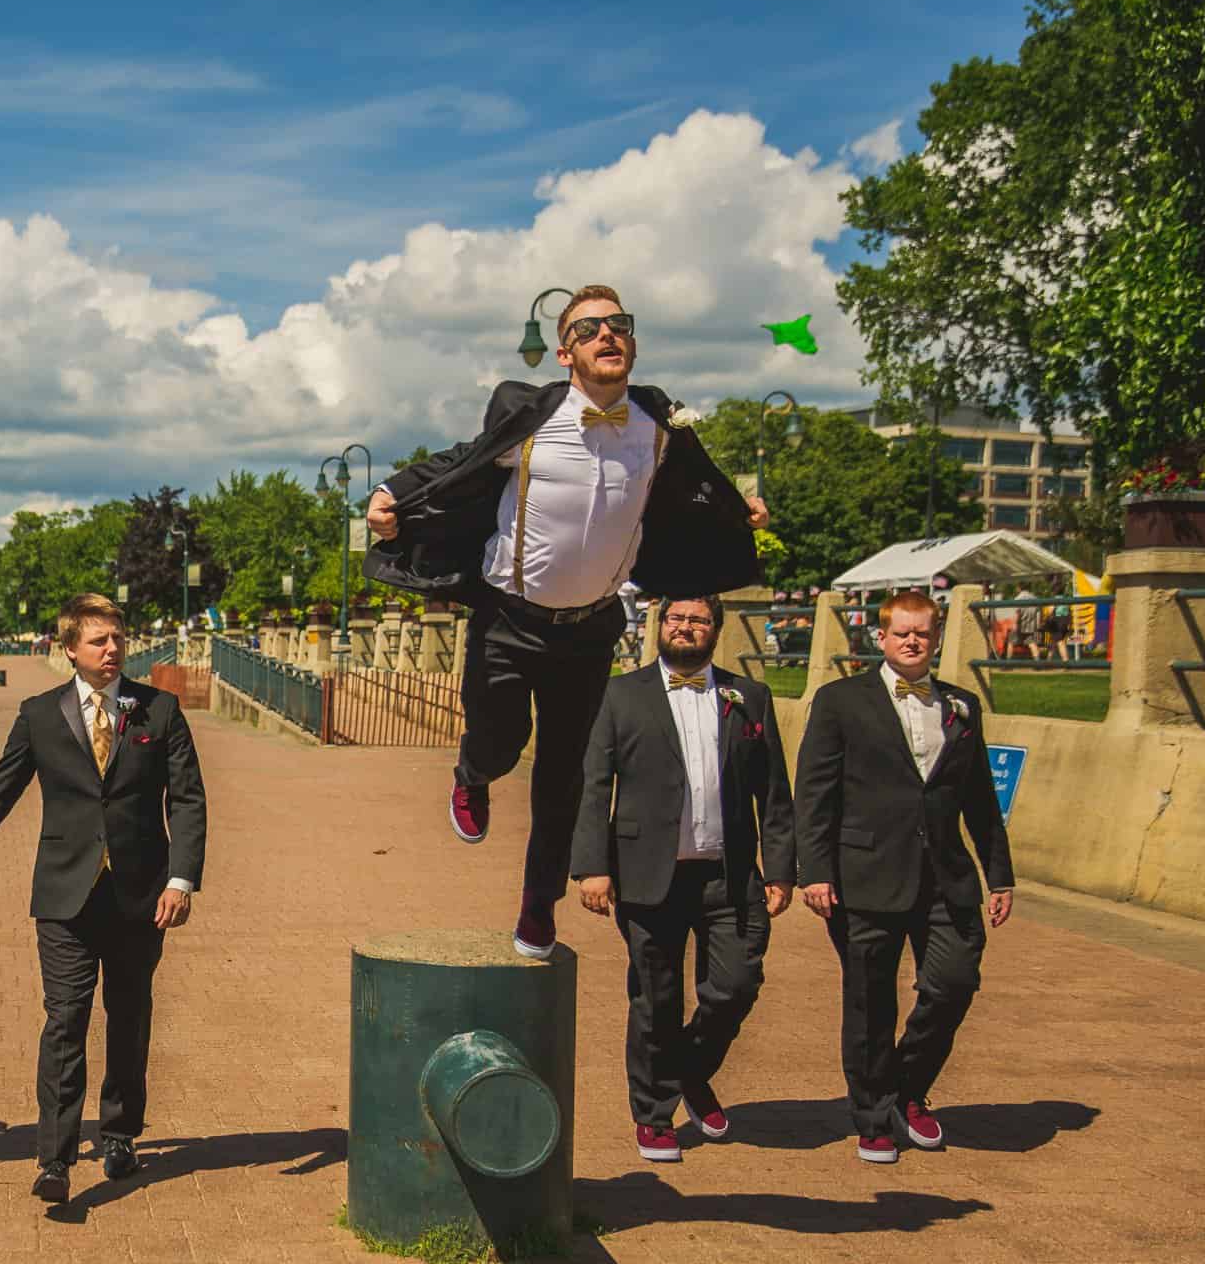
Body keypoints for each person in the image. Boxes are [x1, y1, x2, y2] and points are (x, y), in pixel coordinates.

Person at [363, 284, 767, 960]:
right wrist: (386, 493)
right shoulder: (532, 417)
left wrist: (736, 511)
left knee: (565, 775)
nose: (607, 335)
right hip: (508, 617)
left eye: (619, 325)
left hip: (590, 628)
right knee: (499, 737)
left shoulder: (657, 428)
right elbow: (455, 460)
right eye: (589, 329)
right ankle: (472, 773)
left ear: (631, 343)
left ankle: (536, 908)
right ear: (564, 353)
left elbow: (697, 482)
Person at [0, 594, 208, 1204]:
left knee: (130, 1016)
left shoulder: (159, 710)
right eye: (98, 641)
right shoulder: (39, 715)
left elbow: (187, 800)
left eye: (118, 638)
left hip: (142, 897)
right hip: (64, 896)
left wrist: (181, 879)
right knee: (65, 1020)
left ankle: (119, 1135)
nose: (112, 649)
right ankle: (55, 1159)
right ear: (68, 649)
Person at [572, 593, 795, 1164]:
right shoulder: (621, 695)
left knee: (737, 984)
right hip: (649, 874)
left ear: (716, 630)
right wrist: (592, 866)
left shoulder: (750, 699)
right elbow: (595, 786)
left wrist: (781, 867)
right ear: (659, 627)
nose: (686, 628)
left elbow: (773, 794)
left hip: (730, 875)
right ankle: (653, 1115)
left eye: (698, 620)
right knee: (656, 998)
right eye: (676, 618)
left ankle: (689, 1072)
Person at [796, 590, 1014, 1164]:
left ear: (937, 638)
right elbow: (814, 793)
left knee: (954, 981)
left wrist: (1000, 874)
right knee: (870, 1000)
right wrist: (813, 871)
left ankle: (907, 1088)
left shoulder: (963, 706)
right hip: (863, 873)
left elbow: (979, 800)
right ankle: (873, 1115)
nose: (913, 641)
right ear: (883, 638)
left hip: (946, 875)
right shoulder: (840, 701)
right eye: (902, 633)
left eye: (923, 632)